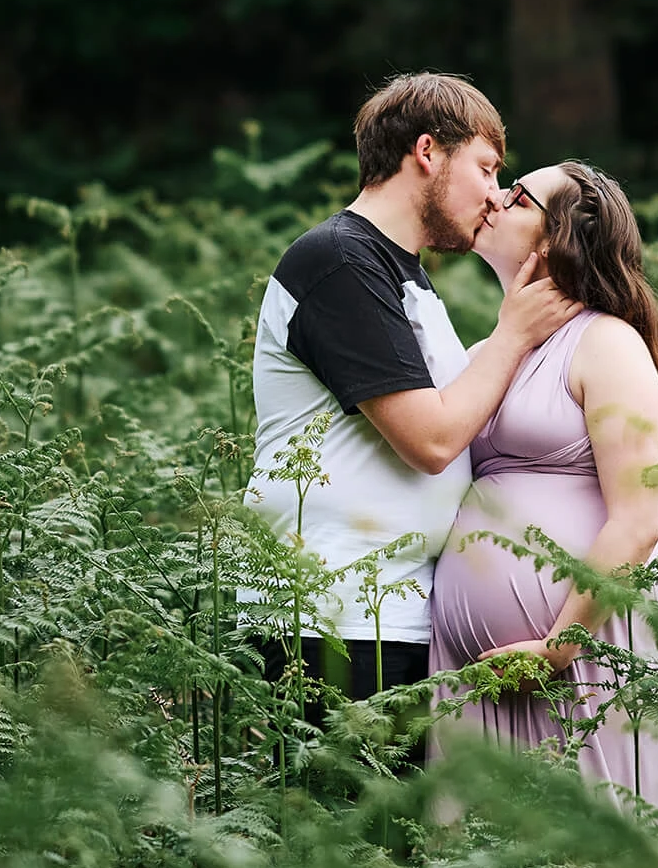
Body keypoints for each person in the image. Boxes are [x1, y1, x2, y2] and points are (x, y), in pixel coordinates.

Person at [246, 72, 576, 715]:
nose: (495, 194)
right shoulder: (340, 262)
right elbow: (430, 440)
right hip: (333, 620)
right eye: (486, 168)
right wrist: (513, 333)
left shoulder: (402, 273)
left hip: (388, 615)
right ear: (427, 151)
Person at [427, 161, 658, 811]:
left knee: (605, 850)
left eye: (518, 196)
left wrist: (558, 648)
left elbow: (638, 519)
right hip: (481, 672)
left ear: (562, 236)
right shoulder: (484, 355)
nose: (494, 199)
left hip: (593, 646)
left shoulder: (606, 343)